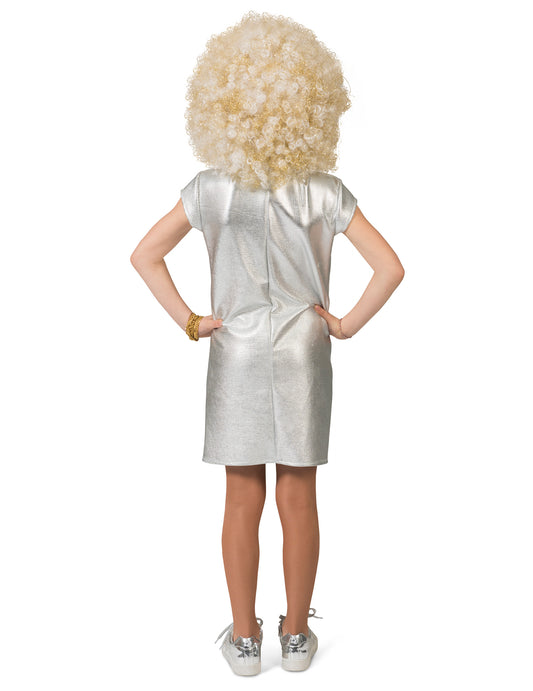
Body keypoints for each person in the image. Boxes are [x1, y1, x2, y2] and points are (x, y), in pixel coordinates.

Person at [130, 10, 404, 676]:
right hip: (303, 349)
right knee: (299, 497)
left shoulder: (210, 191)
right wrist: (343, 323)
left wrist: (192, 321)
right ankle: (297, 637)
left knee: (241, 497)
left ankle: (246, 640)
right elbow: (391, 268)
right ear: (312, 102)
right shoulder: (324, 193)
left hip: (237, 352)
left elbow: (144, 255)